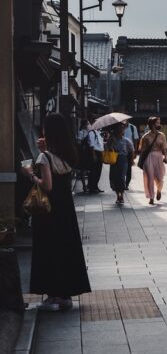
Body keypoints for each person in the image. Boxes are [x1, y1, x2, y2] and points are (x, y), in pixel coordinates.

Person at [21, 113, 91, 311]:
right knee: (66, 249)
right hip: (65, 210)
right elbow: (58, 172)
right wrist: (44, 151)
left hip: (48, 212)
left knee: (49, 251)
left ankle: (52, 295)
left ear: (48, 131)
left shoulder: (44, 157)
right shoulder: (69, 154)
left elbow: (47, 186)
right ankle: (65, 296)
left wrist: (30, 175)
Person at [138, 117, 167, 205]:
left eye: (159, 122)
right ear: (152, 124)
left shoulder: (162, 135)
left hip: (159, 156)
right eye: (157, 123)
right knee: (150, 177)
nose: (159, 124)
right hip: (149, 157)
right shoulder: (145, 136)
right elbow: (141, 149)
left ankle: (159, 190)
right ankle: (151, 197)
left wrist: (165, 157)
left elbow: (164, 148)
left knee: (160, 177)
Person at [104, 123, 134, 206]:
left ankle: (121, 196)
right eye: (119, 128)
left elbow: (131, 150)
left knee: (121, 177)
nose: (121, 130)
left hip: (123, 160)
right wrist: (110, 144)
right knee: (114, 177)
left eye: (123, 128)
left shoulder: (126, 140)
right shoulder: (112, 139)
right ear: (116, 130)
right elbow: (107, 148)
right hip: (114, 160)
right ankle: (118, 195)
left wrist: (131, 161)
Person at [85, 124, 104, 194]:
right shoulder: (91, 133)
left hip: (100, 152)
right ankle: (91, 187)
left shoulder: (98, 133)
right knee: (93, 171)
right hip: (95, 153)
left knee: (99, 170)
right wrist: (93, 155)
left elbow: (100, 144)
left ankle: (95, 186)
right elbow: (91, 145)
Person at [123, 120, 139, 189]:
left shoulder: (133, 127)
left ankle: (127, 184)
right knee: (122, 167)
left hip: (130, 151)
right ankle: (122, 182)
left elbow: (135, 140)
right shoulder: (121, 127)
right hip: (122, 150)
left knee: (129, 168)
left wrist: (135, 152)